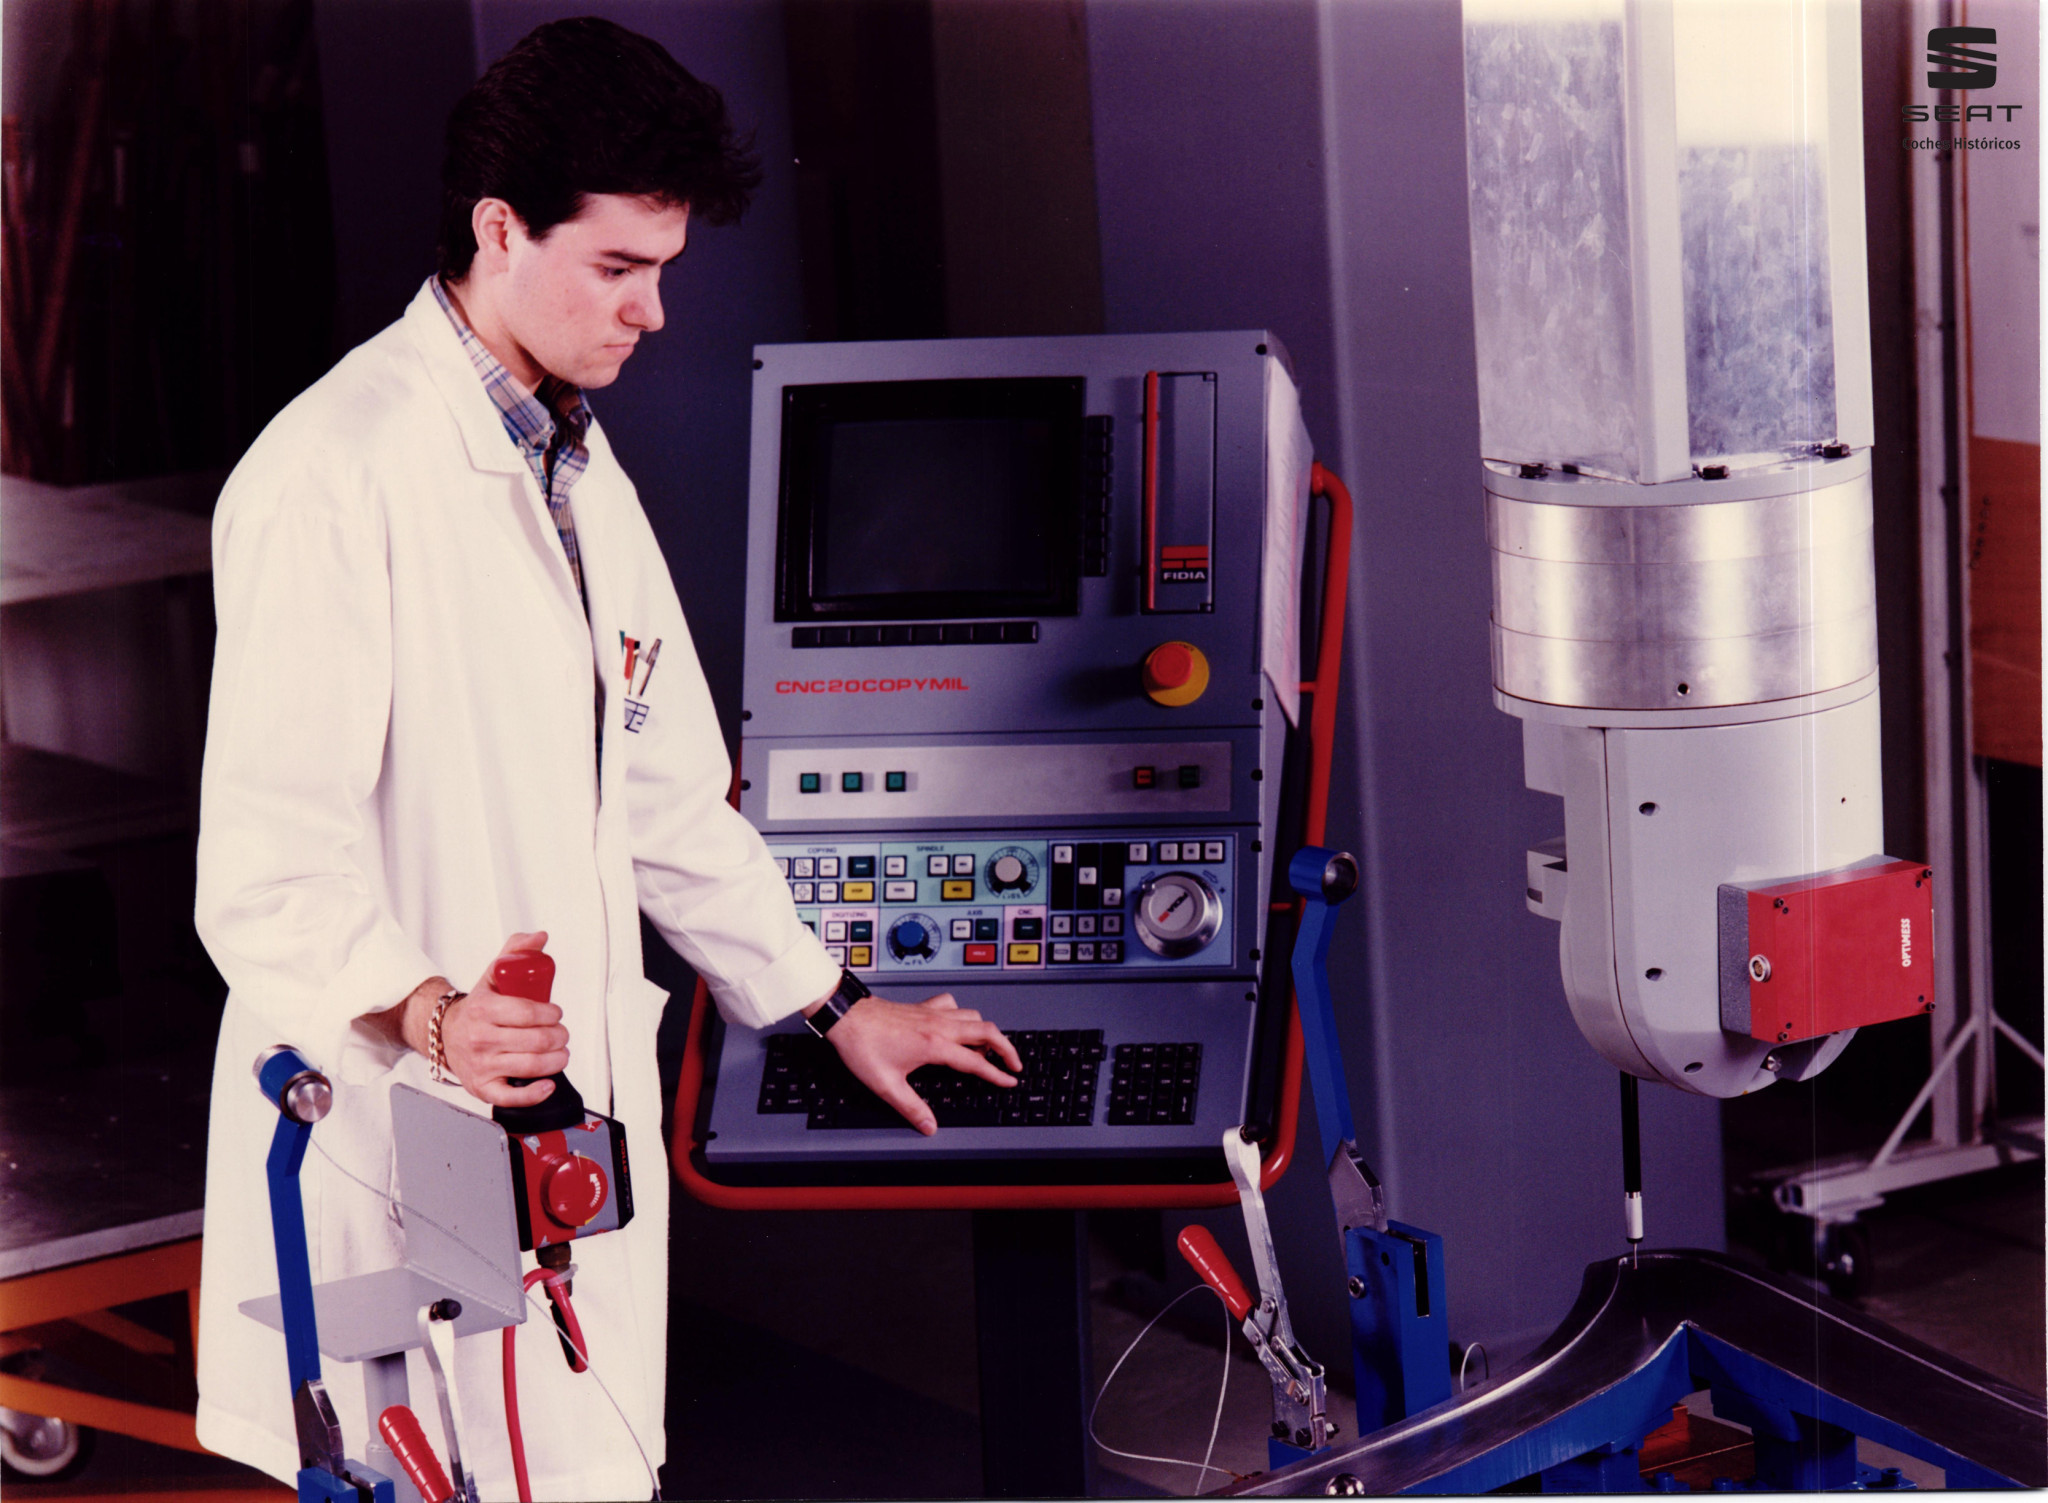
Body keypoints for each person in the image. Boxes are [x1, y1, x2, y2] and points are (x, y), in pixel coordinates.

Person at [191, 18, 1019, 1499]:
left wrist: (837, 1005)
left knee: (580, 1461)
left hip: (547, 1138)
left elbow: (664, 802)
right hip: (402, 1130)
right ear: (500, 229)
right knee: (430, 1464)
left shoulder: (571, 463)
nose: (654, 312)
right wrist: (434, 1016)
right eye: (620, 268)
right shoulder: (333, 474)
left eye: (666, 270)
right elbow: (264, 872)